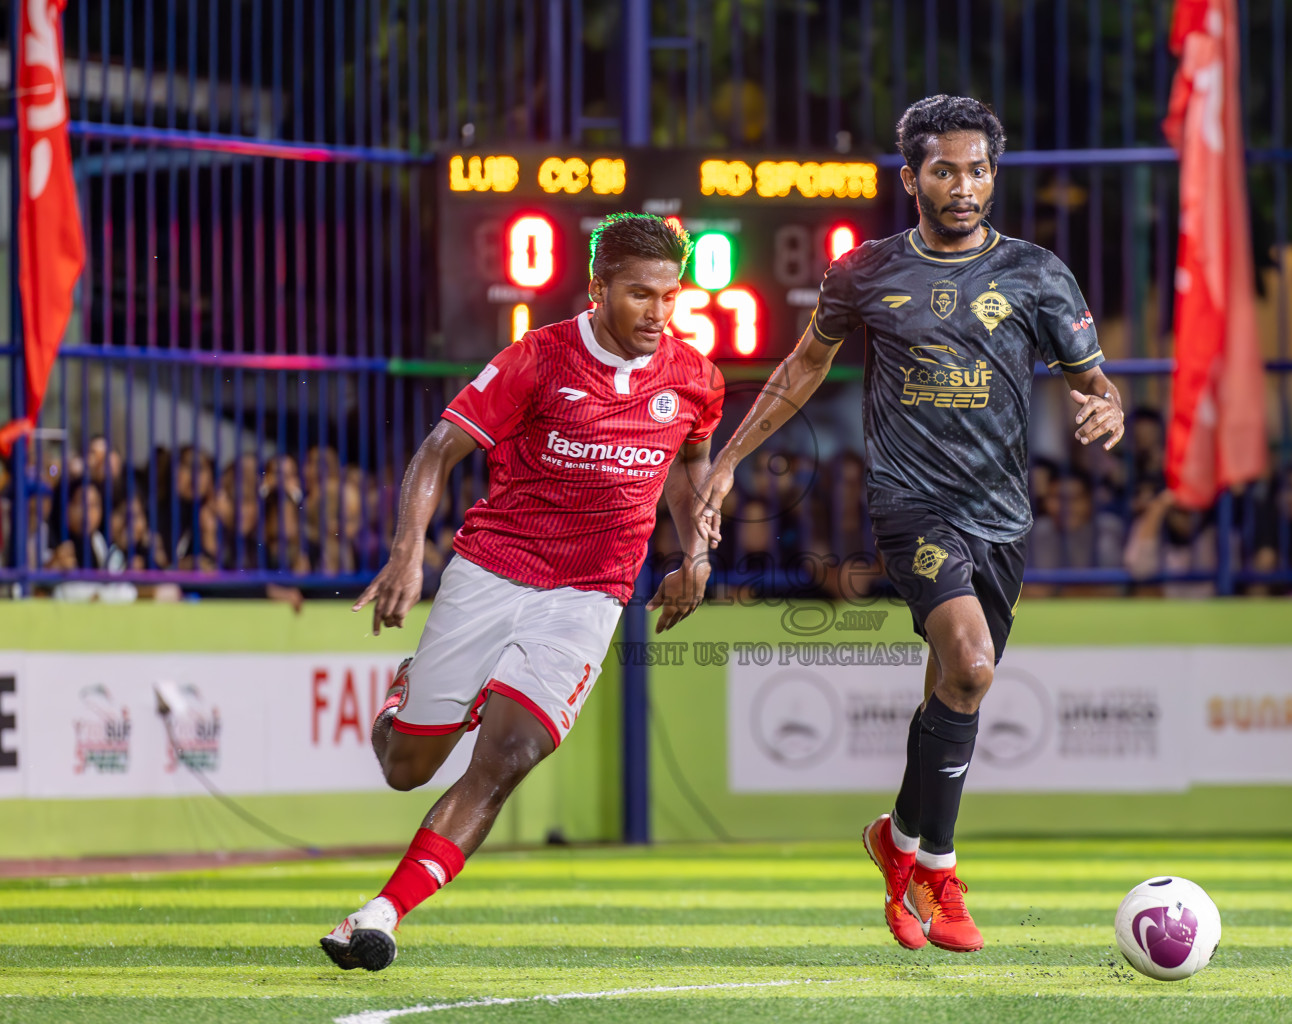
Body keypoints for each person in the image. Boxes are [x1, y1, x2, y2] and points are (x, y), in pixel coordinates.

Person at [694, 96, 1124, 954]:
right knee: (970, 665)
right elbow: (802, 367)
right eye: (944, 170)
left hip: (1001, 517)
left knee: (951, 690)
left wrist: (1105, 411)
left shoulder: (1037, 275)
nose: (962, 186)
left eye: (976, 170)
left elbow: (1094, 385)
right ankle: (940, 868)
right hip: (911, 505)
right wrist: (730, 459)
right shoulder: (864, 272)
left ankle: (894, 841)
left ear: (993, 177)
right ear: (912, 179)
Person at [320, 213, 723, 972]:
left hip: (590, 595)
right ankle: (405, 700)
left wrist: (697, 553)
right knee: (406, 768)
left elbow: (690, 466)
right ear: (598, 289)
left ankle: (382, 912)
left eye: (670, 297)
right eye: (640, 295)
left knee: (509, 756)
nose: (658, 313)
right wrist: (409, 554)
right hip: (493, 571)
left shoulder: (695, 377)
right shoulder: (538, 357)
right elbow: (438, 450)